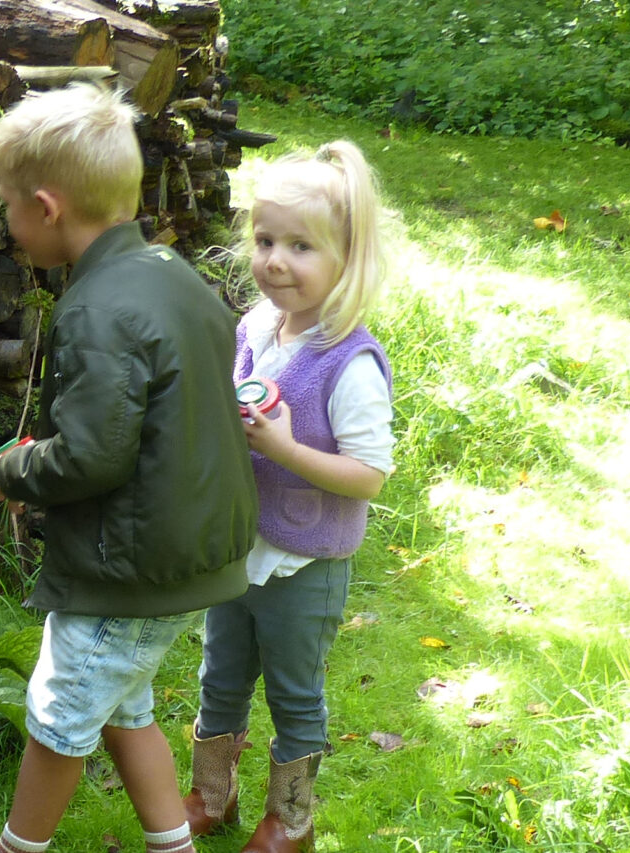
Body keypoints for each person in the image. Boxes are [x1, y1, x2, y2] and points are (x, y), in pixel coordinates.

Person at [0, 83, 259, 853]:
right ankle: (173, 844)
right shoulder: (172, 274)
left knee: (62, 712)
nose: (6, 223)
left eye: (7, 205)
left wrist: (20, 469)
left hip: (130, 562)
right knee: (126, 706)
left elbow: (95, 456)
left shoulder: (96, 310)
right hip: (185, 550)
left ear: (46, 205)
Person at [183, 141, 400, 853]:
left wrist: (284, 450)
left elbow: (369, 473)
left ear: (347, 259)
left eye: (301, 246)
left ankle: (292, 819)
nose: (276, 259)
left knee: (295, 692)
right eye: (265, 239)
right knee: (221, 674)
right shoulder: (253, 329)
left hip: (305, 562)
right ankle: (213, 791)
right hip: (238, 545)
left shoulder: (350, 361)